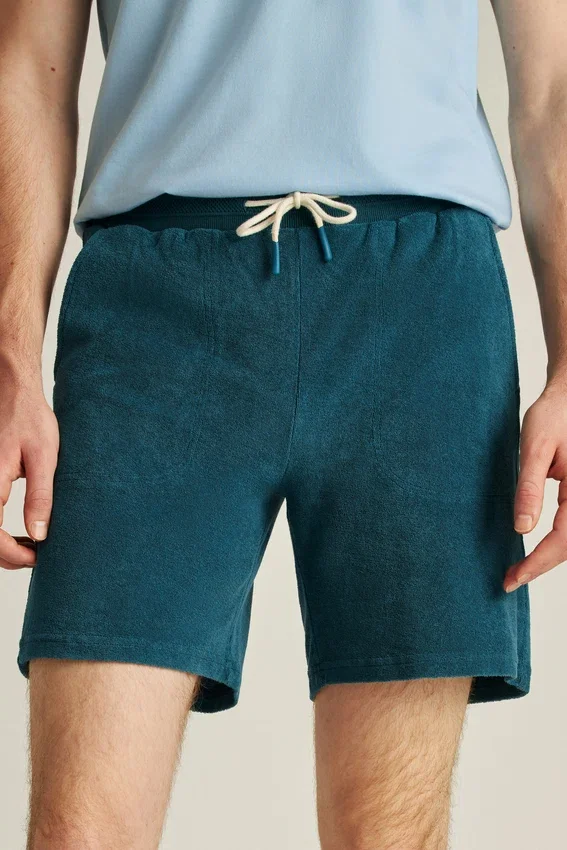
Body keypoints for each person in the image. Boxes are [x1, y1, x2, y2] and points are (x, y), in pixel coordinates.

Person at [1, 1, 565, 847]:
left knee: (388, 834)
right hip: (152, 304)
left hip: (419, 310)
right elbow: (25, 70)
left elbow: (553, 86)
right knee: (80, 830)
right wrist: (10, 357)